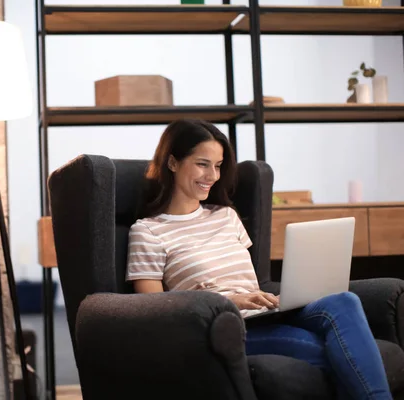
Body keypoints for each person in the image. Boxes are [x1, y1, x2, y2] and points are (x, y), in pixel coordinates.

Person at [126, 118, 392, 400]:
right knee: (338, 351)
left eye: (217, 166)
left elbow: (248, 281)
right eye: (202, 164)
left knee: (344, 300)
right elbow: (153, 310)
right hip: (225, 329)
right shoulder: (148, 231)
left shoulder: (226, 216)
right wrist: (228, 301)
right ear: (172, 163)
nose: (213, 176)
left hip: (266, 313)